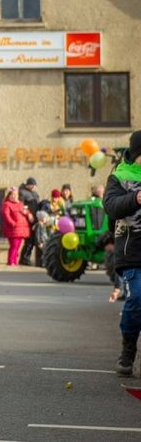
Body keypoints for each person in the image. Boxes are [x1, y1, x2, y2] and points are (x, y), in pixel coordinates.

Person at [104, 130, 141, 377]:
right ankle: (128, 349)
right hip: (132, 252)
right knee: (138, 299)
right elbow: (111, 206)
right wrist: (136, 198)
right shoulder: (119, 177)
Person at [0, 186, 31, 266]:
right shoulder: (7, 204)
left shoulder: (20, 204)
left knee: (17, 247)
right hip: (13, 229)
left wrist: (27, 213)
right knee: (14, 246)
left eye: (16, 194)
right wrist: (12, 223)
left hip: (21, 229)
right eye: (12, 194)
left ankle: (14, 261)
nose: (14, 196)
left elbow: (26, 212)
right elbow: (6, 215)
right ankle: (11, 261)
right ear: (9, 195)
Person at [18, 177, 43, 267]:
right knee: (29, 240)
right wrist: (28, 214)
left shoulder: (35, 194)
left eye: (34, 185)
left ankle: (27, 258)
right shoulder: (22, 192)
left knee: (33, 240)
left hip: (35, 219)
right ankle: (24, 258)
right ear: (28, 184)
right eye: (31, 185)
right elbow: (21, 206)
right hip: (27, 220)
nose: (33, 187)